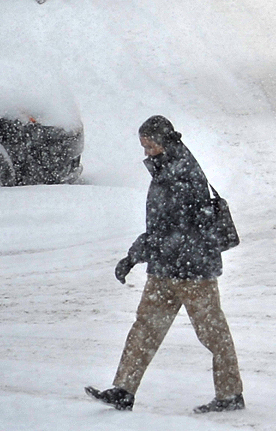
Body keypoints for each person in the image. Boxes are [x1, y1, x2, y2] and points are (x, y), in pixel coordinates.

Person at [86, 116, 244, 415]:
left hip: (194, 271)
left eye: (150, 145)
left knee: (213, 333)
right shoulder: (166, 168)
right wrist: (137, 256)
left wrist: (136, 255)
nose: (146, 152)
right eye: (143, 146)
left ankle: (230, 395)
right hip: (165, 269)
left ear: (165, 141)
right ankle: (123, 390)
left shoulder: (183, 174)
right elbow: (163, 228)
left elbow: (175, 230)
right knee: (145, 328)